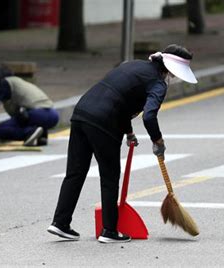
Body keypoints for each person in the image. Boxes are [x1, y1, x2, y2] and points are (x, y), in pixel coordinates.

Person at [47, 44, 198, 243]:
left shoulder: (132, 66)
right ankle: (109, 231)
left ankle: (60, 223)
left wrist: (128, 132)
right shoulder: (158, 84)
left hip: (81, 114)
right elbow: (149, 116)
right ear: (170, 70)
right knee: (110, 176)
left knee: (75, 172)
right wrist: (157, 140)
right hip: (104, 122)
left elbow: (119, 98)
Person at [0, 68, 59, 146]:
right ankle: (41, 135)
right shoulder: (20, 82)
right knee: (20, 118)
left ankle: (29, 133)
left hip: (38, 114)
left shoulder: (5, 82)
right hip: (53, 114)